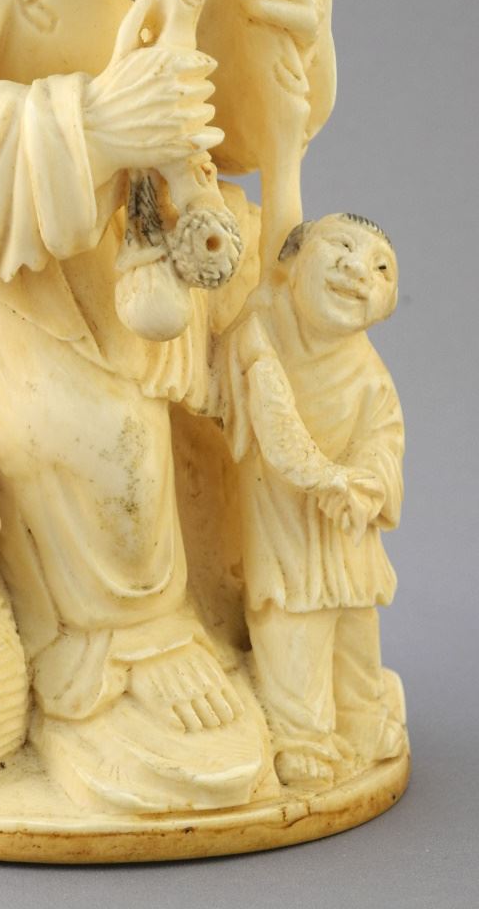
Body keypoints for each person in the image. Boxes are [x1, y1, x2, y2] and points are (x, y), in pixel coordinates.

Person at [0, 0, 336, 809]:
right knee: (107, 441)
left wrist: (264, 19)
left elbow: (228, 133)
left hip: (151, 245)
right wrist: (92, 126)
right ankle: (114, 646)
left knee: (285, 360)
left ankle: (263, 616)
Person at [211, 214, 406, 786]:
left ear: (387, 306)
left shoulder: (369, 374)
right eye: (341, 245)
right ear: (291, 262)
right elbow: (277, 429)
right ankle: (303, 738)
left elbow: (384, 438)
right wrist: (325, 478)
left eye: (381, 268)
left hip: (345, 530)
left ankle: (362, 717)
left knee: (355, 631)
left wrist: (366, 485)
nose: (358, 269)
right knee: (292, 628)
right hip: (284, 526)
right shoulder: (258, 333)